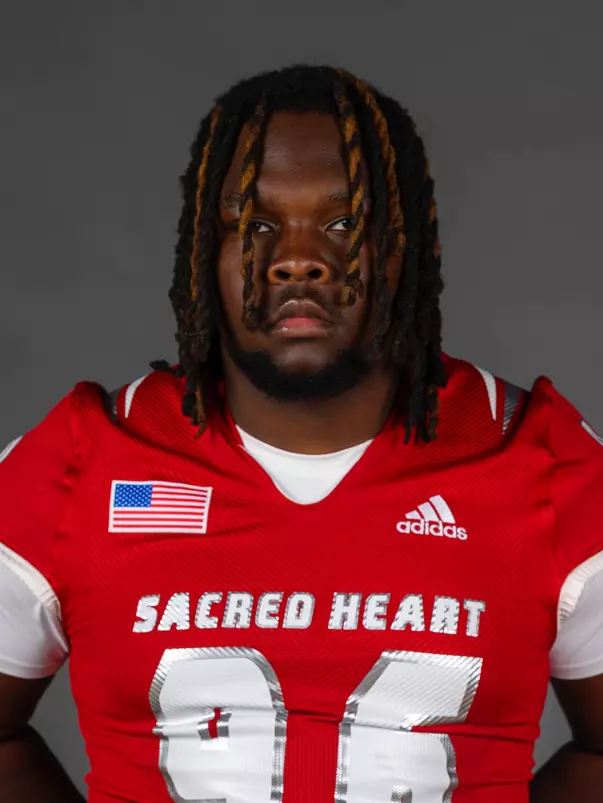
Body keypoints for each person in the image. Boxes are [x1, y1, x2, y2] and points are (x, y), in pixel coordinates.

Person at [0, 64, 602, 803]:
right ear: (204, 252)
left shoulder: (537, 457)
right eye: (255, 225)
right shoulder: (84, 458)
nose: (297, 259)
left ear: (404, 247)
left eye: (345, 224)